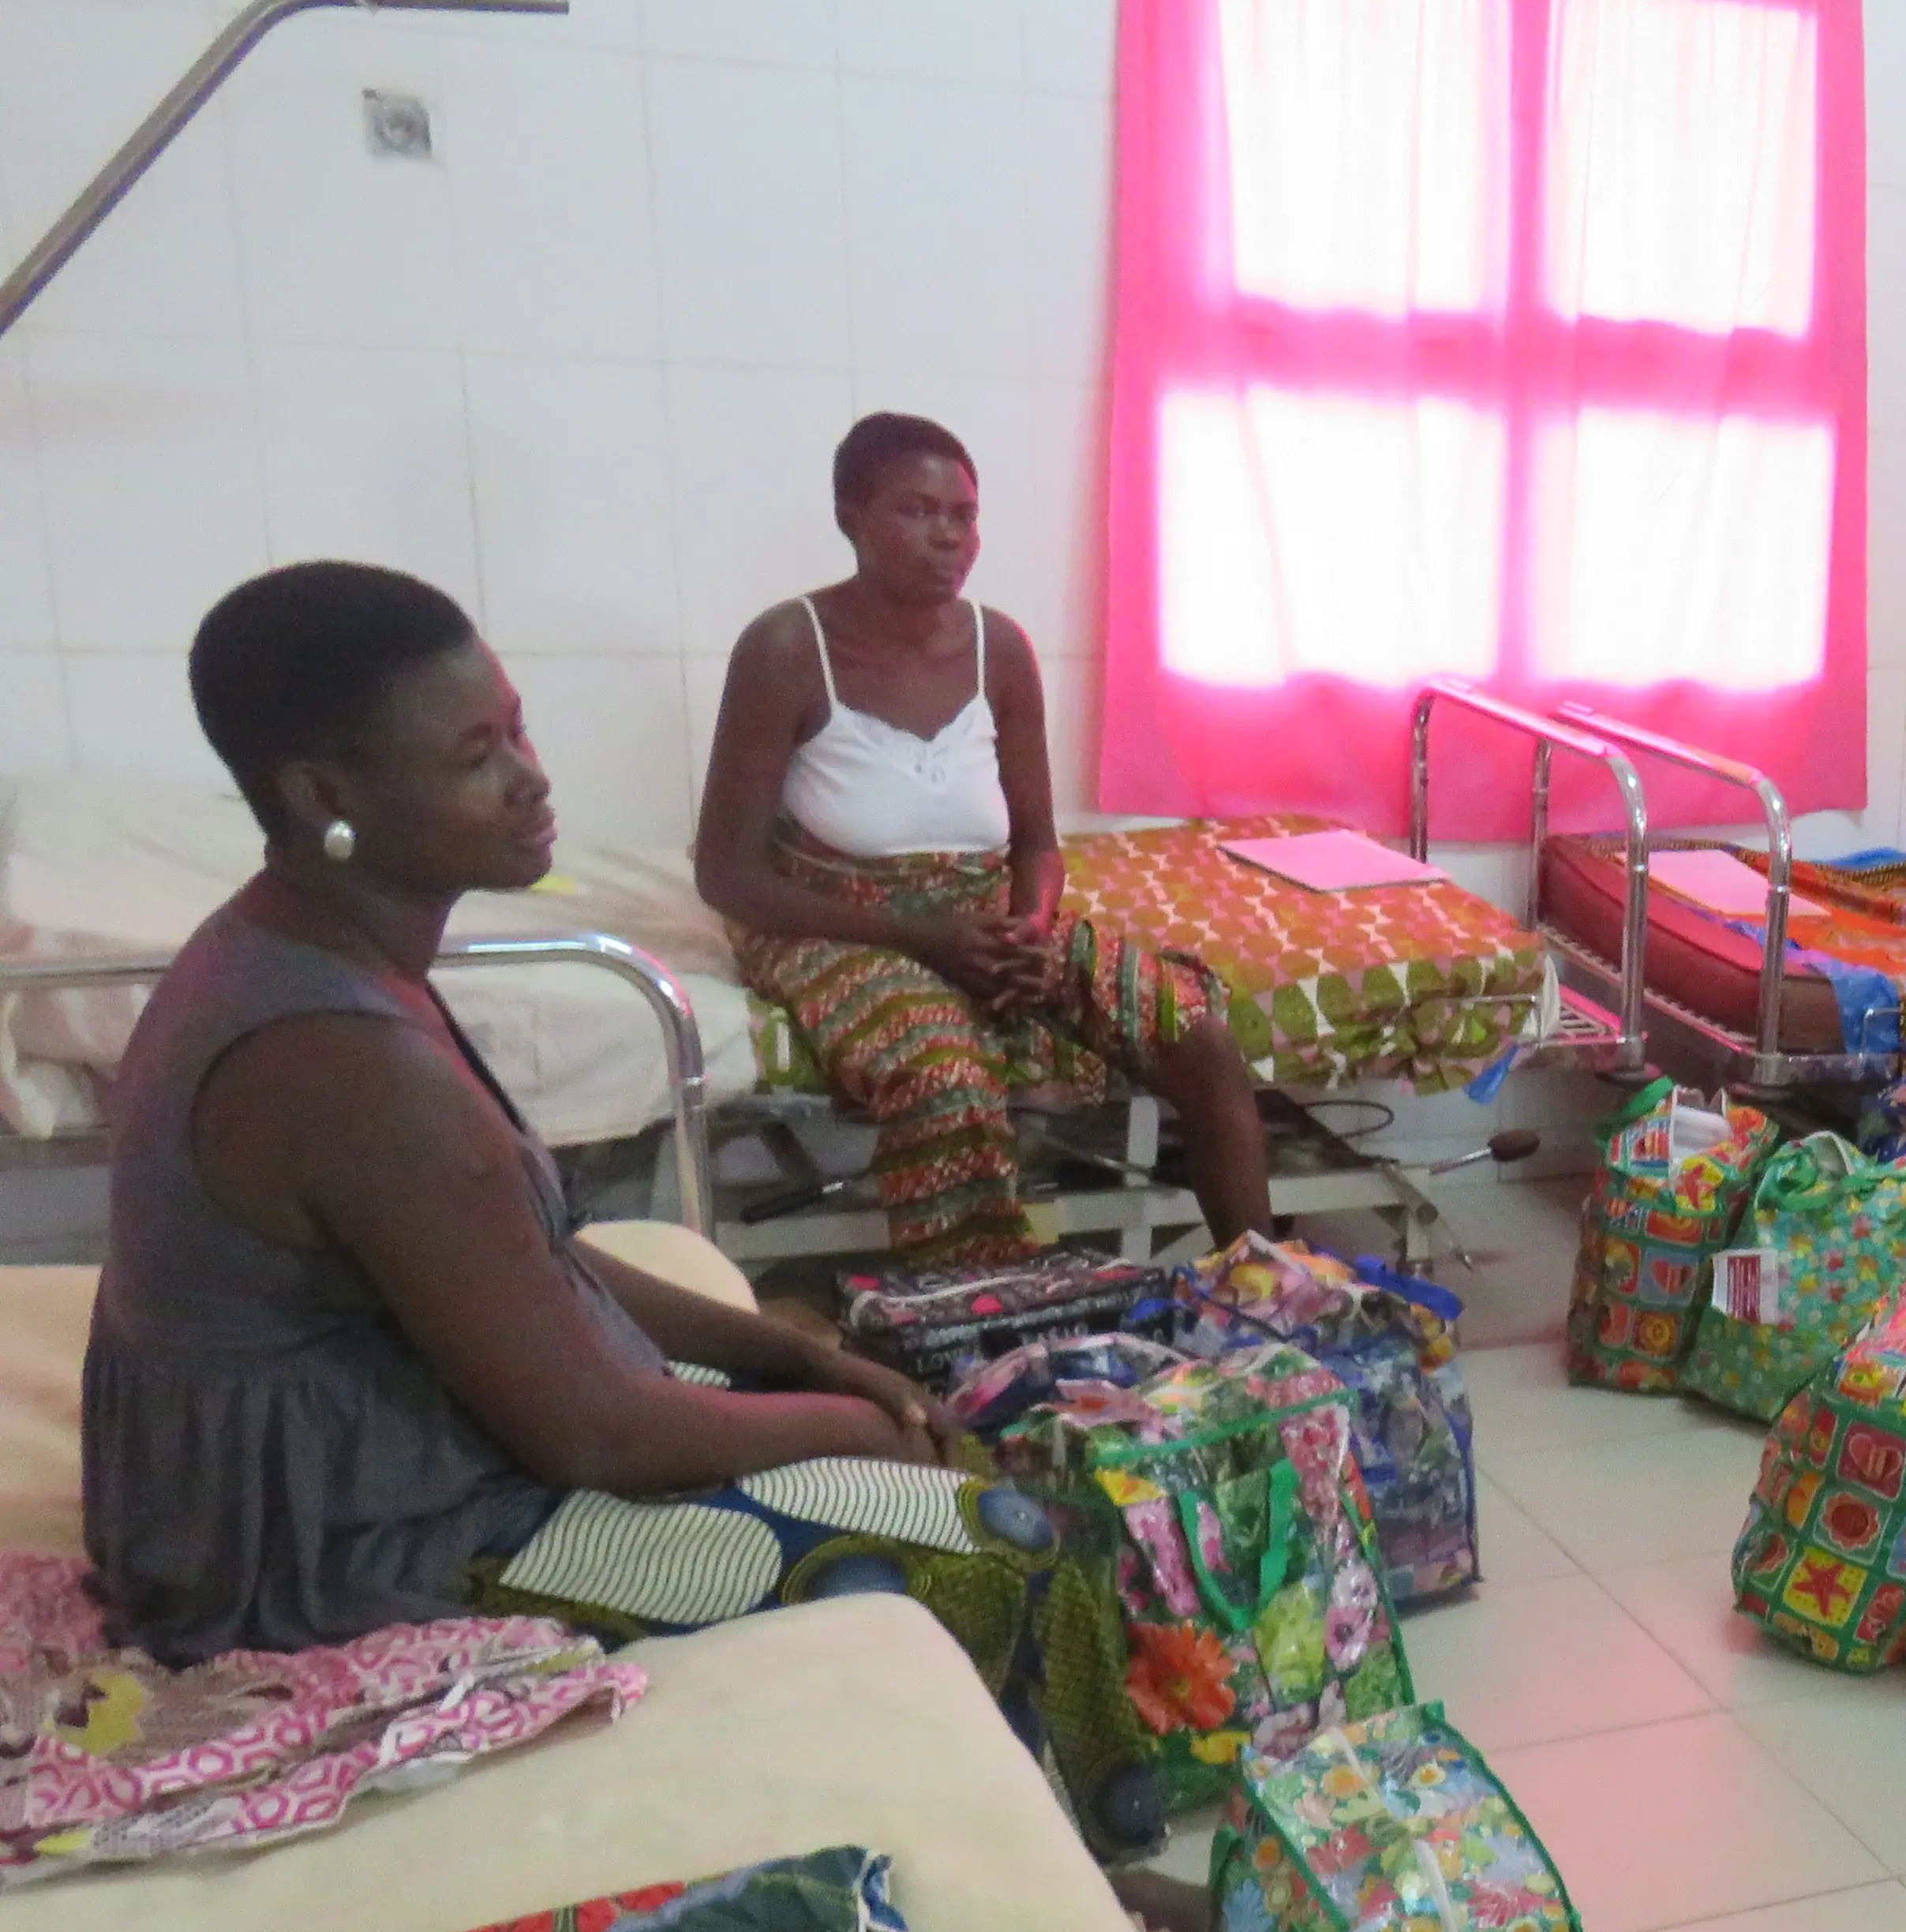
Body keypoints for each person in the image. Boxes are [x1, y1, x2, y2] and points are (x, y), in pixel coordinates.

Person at [88, 561, 1150, 1840]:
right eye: (478, 753)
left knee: (911, 1430)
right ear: (326, 796)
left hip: (382, 1437)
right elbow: (592, 1437)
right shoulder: (341, 1062)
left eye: (518, 726)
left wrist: (780, 1348)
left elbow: (530, 1250)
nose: (532, 775)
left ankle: (1044, 1823)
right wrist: (835, 1424)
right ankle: (1081, 1882)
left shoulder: (313, 954)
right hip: (344, 1552)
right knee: (994, 1537)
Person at [698, 412, 1268, 1266]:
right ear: (851, 517)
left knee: (1201, 1040)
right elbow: (727, 874)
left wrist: (1032, 932)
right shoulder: (787, 648)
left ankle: (1265, 1284)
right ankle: (980, 1327)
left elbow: (1038, 843)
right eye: (917, 512)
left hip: (986, 917)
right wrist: (930, 940)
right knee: (945, 1076)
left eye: (963, 516)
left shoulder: (999, 648)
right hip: (834, 922)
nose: (948, 539)